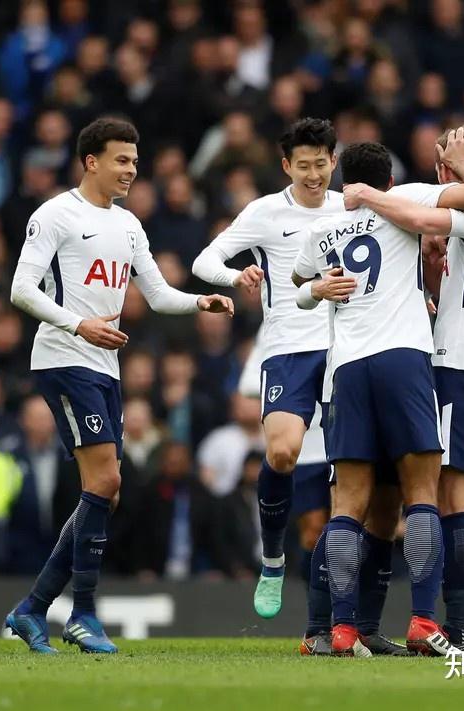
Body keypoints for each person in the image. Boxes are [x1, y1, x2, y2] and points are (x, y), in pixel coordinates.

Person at [7, 117, 233, 654]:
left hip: (104, 365)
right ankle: (81, 614)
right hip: (64, 357)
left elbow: (157, 294)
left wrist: (199, 300)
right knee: (105, 481)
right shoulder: (55, 215)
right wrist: (77, 324)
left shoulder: (129, 225)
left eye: (134, 160)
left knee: (105, 490)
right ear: (91, 161)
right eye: (121, 160)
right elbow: (21, 289)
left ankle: (34, 608)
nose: (131, 169)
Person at [295, 133, 464, 657]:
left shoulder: (322, 228)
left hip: (346, 368)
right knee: (422, 493)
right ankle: (424, 622)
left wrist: (316, 287)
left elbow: (298, 281)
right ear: (388, 180)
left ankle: (342, 630)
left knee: (348, 504)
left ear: (344, 180)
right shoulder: (404, 198)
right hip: (403, 358)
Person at [343, 128, 464, 653]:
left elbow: (421, 217)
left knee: (449, 500)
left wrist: (368, 195)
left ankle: (461, 625)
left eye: (444, 165)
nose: (439, 175)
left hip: (462, 366)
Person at [191, 117, 349, 622]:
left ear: (334, 161)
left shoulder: (351, 208)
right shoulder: (264, 212)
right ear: (286, 166)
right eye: (303, 165)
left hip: (346, 348)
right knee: (282, 453)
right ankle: (273, 559)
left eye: (321, 164)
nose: (313, 175)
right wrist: (236, 274)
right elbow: (204, 262)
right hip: (287, 349)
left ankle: (344, 609)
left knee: (351, 476)